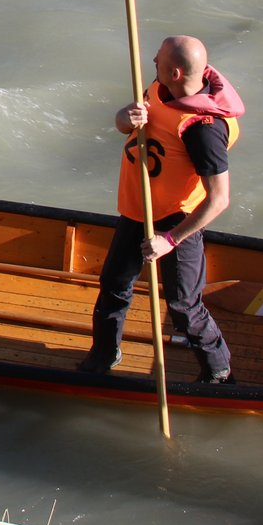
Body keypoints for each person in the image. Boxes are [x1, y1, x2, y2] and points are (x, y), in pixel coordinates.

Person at [79, 35, 242, 383]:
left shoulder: (203, 130)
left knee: (183, 305)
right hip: (137, 209)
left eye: (159, 60)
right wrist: (125, 117)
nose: (152, 62)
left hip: (176, 221)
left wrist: (169, 240)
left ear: (176, 72)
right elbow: (125, 127)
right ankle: (104, 354)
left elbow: (219, 199)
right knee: (114, 285)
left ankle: (218, 370)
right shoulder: (159, 86)